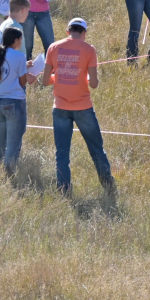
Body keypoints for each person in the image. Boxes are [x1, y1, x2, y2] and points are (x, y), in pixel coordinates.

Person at [38, 18, 115, 197]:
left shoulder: (53, 48)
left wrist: (61, 77)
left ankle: (64, 192)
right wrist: (84, 78)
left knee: (62, 153)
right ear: (84, 33)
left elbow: (44, 81)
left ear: (68, 31)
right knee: (97, 150)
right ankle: (108, 187)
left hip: (60, 108)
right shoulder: (89, 50)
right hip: (83, 107)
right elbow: (94, 84)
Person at [0, 27, 34, 176]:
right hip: (14, 102)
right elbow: (22, 82)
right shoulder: (19, 56)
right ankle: (9, 174)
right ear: (16, 40)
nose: (21, 42)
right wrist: (30, 77)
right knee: (13, 144)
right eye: (20, 39)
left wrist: (24, 67)